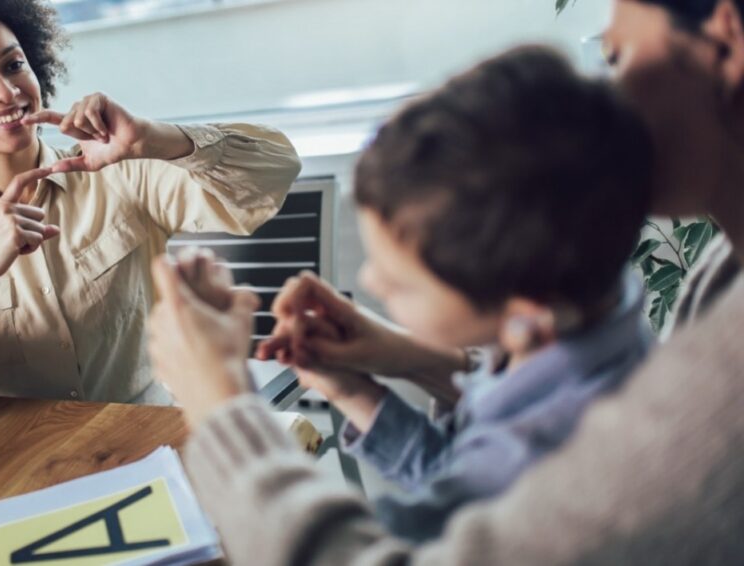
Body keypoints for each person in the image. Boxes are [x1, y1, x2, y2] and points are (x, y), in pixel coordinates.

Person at [147, 0, 744, 563]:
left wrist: (222, 404)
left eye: (615, 57)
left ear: (727, 40)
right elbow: (482, 486)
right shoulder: (640, 309)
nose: (609, 103)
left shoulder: (700, 390)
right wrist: (381, 380)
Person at [195, 45, 658, 544]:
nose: (370, 282)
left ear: (525, 315)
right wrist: (356, 390)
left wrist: (219, 402)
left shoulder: (540, 457)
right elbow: (457, 479)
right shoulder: (595, 318)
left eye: (400, 282)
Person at [0, 0, 301, 415]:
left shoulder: (118, 169)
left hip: (143, 437)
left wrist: (152, 138)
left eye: (13, 65)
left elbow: (275, 170)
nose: (6, 92)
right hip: (20, 467)